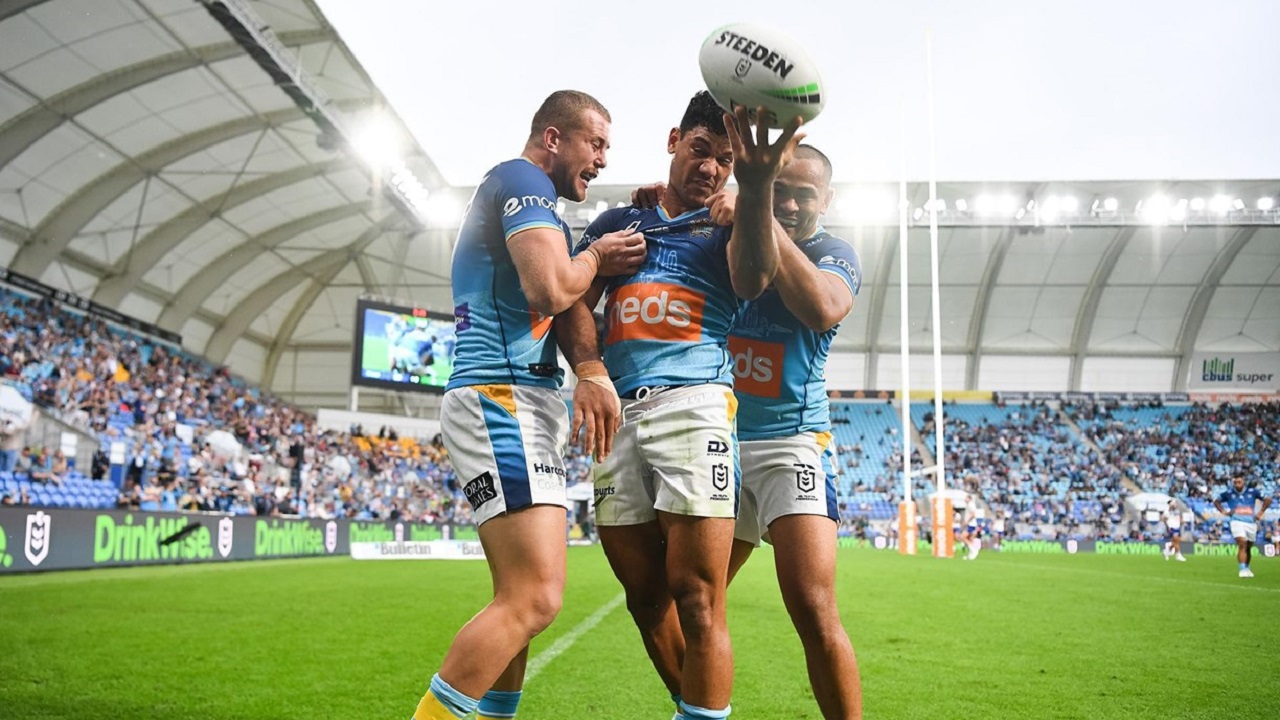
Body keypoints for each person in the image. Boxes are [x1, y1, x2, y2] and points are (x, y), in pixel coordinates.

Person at [412, 90, 647, 720]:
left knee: (519, 600)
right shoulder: (521, 179)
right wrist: (595, 255)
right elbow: (550, 287)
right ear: (552, 137)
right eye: (595, 143)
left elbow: (562, 295)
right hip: (500, 395)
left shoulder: (538, 201)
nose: (602, 158)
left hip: (520, 399)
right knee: (536, 599)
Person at [573, 91, 802, 720]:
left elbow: (754, 277)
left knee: (698, 599)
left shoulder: (732, 225)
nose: (711, 168)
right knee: (646, 601)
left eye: (725, 161)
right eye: (702, 151)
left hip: (694, 406)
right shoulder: (618, 224)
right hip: (616, 416)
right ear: (674, 140)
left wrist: (751, 195)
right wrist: (589, 368)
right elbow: (570, 301)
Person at [721, 143, 863, 719]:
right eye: (779, 190)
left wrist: (752, 205)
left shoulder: (834, 252)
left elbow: (823, 308)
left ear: (825, 201)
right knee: (688, 604)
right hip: (722, 447)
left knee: (812, 607)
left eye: (805, 194)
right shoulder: (731, 244)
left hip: (791, 445)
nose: (791, 203)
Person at [1212, 475, 1272, 578]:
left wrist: (1260, 512)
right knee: (1242, 543)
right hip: (1236, 521)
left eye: (1239, 482)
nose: (1237, 484)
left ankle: (1247, 567)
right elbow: (1216, 501)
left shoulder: (1253, 492)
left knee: (1248, 546)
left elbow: (1268, 499)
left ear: (1243, 482)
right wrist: (1223, 512)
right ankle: (1242, 569)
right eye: (1235, 482)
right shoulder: (1229, 493)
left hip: (1251, 522)